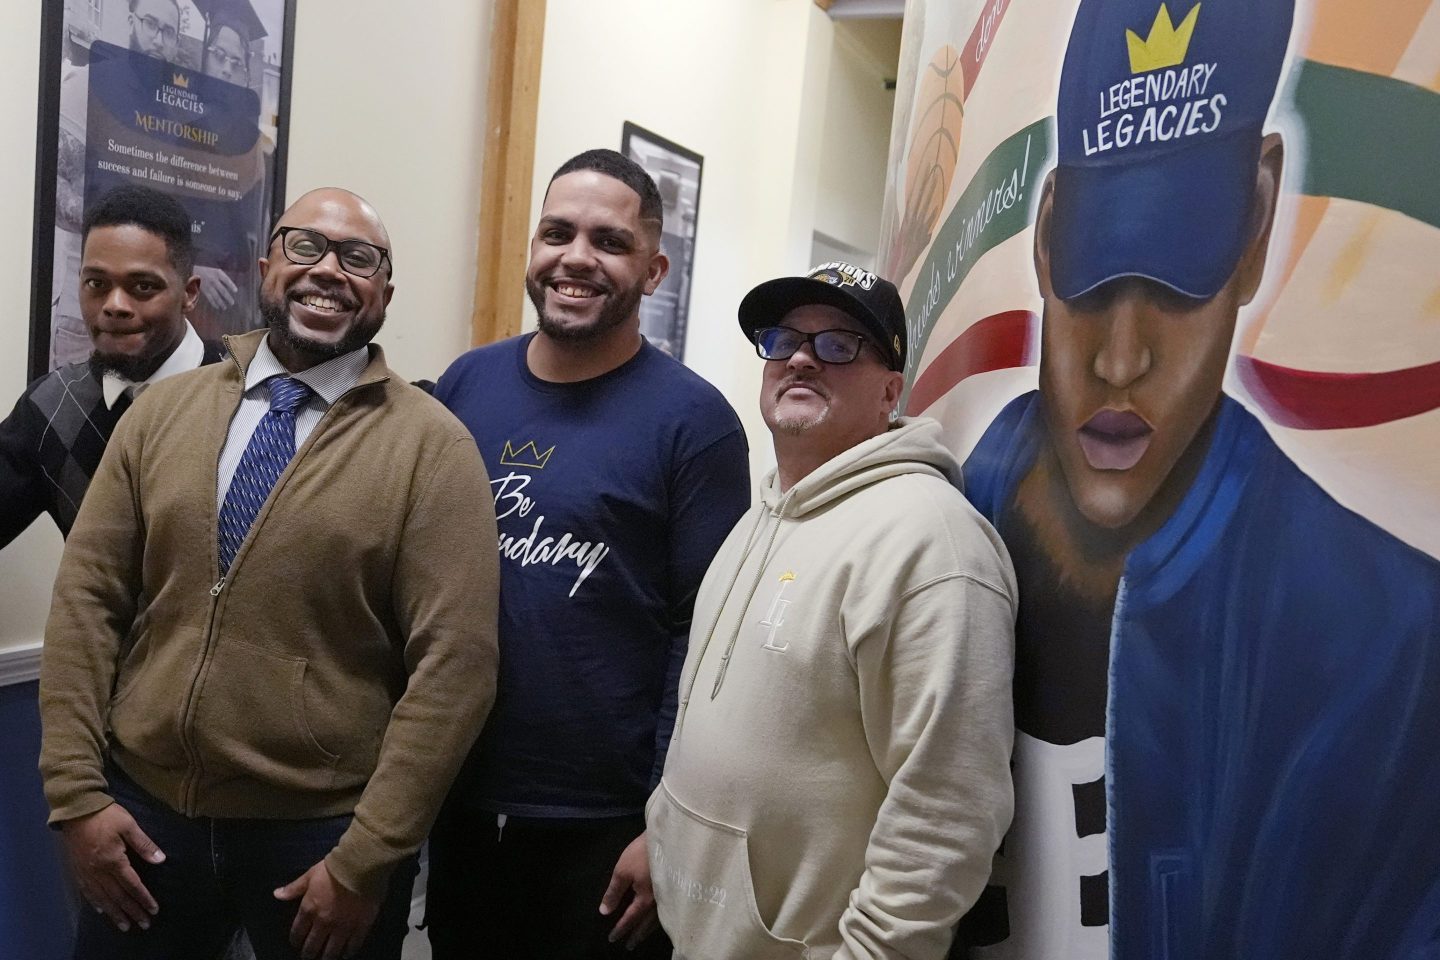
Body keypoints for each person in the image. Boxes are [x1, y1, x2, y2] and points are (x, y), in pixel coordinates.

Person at [959, 0, 1440, 957]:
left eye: (1179, 280)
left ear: (1258, 219)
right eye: (1097, 279)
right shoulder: (950, 507)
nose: (1122, 359)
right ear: (1049, 231)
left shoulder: (1384, 647)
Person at [39, 187, 500, 960]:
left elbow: (457, 668)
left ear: (385, 292)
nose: (329, 272)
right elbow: (88, 601)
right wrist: (77, 796)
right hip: (147, 819)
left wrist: (368, 857)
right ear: (265, 267)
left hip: (320, 838)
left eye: (359, 259)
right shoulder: (162, 415)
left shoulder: (434, 449)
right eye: (305, 247)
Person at [425, 149, 750, 959]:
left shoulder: (695, 424)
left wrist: (664, 821)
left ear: (653, 267)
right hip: (459, 801)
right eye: (556, 233)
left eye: (608, 241)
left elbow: (706, 641)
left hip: (606, 829)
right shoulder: (465, 386)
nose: (576, 257)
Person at [647, 261, 1016, 959]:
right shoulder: (764, 512)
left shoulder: (932, 545)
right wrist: (661, 834)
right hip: (696, 933)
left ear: (890, 391)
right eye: (784, 339)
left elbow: (948, 811)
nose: (803, 358)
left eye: (841, 343)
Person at [1, 184, 222, 548]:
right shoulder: (50, 408)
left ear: (189, 293)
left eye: (143, 286)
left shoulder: (252, 392)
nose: (114, 305)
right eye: (96, 283)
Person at [52, 0, 185, 368]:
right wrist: (117, 229)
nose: (158, 39)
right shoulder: (88, 85)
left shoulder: (170, 114)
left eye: (168, 31)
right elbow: (55, 190)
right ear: (131, 22)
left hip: (152, 316)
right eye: (150, 24)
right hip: (89, 308)